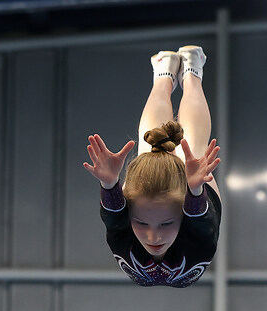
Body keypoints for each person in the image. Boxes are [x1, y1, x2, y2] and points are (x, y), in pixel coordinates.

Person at [83, 45, 222, 288]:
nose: (153, 236)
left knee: (150, 144)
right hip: (198, 202)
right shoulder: (200, 241)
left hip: (167, 198)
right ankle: (192, 71)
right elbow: (202, 221)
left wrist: (110, 183)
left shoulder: (123, 238)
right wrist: (195, 190)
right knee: (193, 147)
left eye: (166, 224)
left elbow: (113, 216)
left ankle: (163, 75)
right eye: (143, 223)